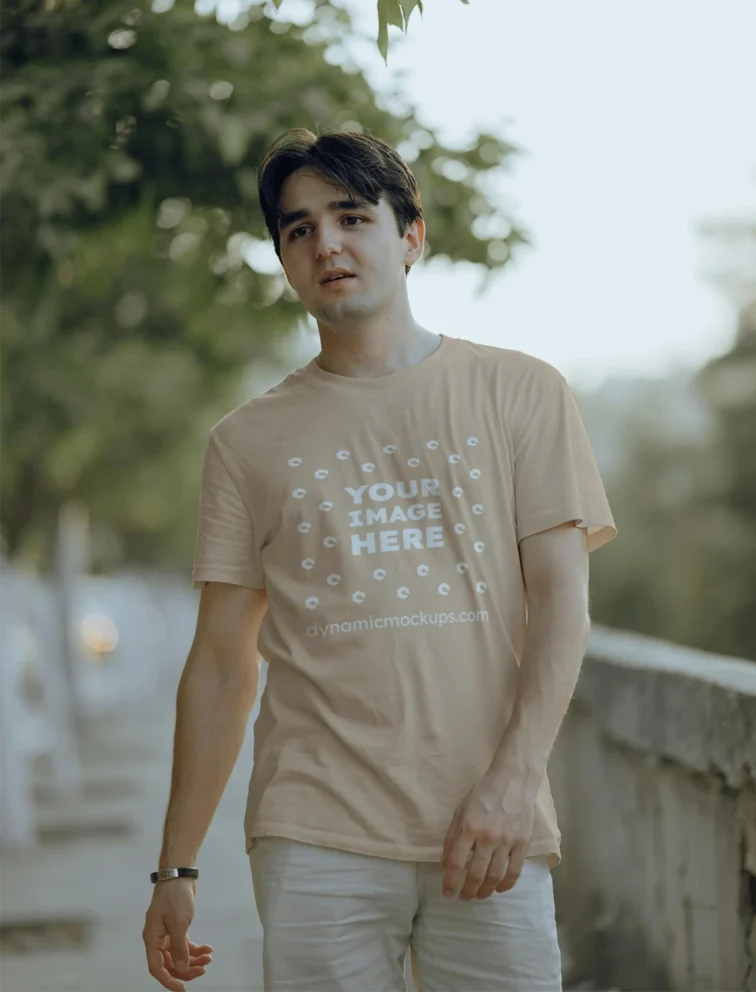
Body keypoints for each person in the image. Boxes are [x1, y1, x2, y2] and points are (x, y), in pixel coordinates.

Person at [142, 127, 617, 992]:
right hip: (314, 831)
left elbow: (561, 606)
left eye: (351, 216)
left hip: (491, 823)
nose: (325, 242)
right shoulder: (245, 442)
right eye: (298, 229)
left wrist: (515, 782)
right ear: (284, 259)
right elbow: (219, 664)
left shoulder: (521, 393)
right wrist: (175, 868)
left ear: (410, 236)